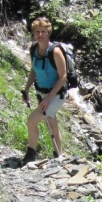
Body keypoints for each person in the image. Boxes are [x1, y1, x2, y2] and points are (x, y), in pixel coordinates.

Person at [21, 16, 67, 164]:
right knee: (51, 122)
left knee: (32, 121)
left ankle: (30, 154)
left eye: (43, 31)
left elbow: (63, 77)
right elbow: (34, 71)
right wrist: (27, 89)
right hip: (41, 92)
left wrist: (49, 98)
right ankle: (59, 155)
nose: (40, 35)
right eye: (37, 31)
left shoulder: (55, 52)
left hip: (56, 94)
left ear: (48, 33)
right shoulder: (34, 49)